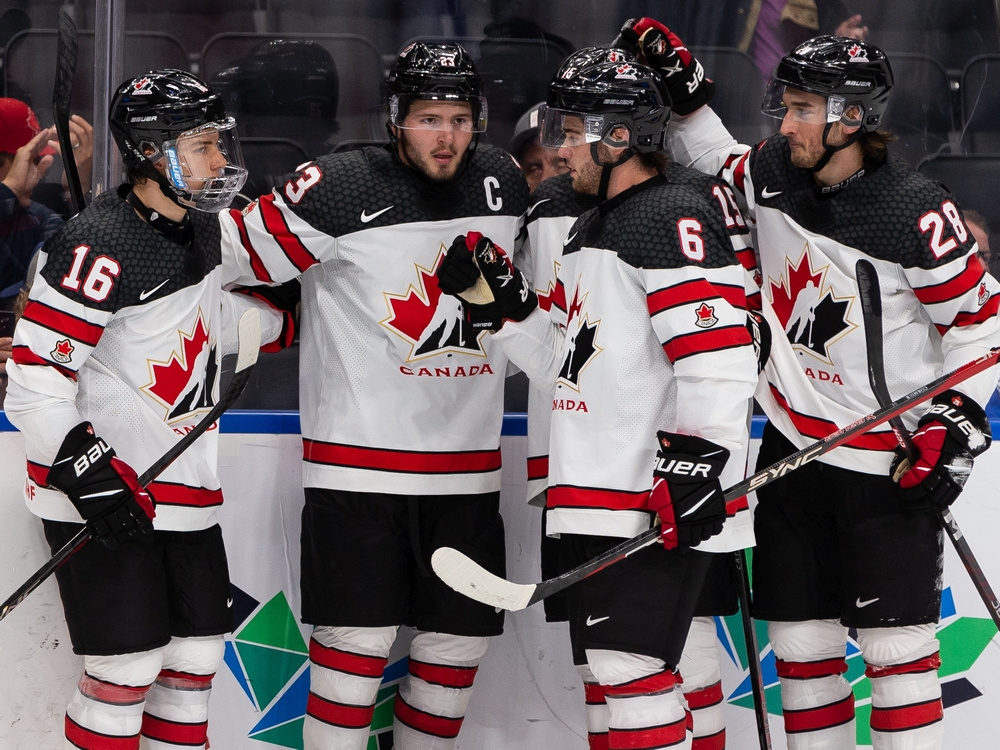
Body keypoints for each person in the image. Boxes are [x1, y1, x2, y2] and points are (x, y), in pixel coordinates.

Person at [620, 18, 1000, 748]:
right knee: (801, 652)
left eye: (800, 109)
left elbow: (982, 323)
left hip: (887, 466)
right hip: (792, 455)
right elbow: (713, 158)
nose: (783, 121)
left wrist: (952, 419)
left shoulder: (913, 210)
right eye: (784, 104)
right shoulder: (771, 172)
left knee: (897, 659)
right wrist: (686, 93)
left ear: (851, 118)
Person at [436, 46, 758, 750]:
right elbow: (566, 367)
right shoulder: (588, 227)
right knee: (616, 680)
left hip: (648, 490)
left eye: (570, 129)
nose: (558, 147)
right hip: (594, 488)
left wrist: (699, 464)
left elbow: (721, 358)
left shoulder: (670, 214)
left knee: (631, 672)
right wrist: (505, 309)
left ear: (619, 136)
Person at [218, 42, 529, 749]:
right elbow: (225, 255)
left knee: (455, 653)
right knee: (352, 662)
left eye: (458, 118)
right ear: (395, 118)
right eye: (427, 118)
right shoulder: (336, 186)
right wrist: (274, 319)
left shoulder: (504, 183)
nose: (445, 136)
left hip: (469, 476)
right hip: (356, 476)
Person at [3, 69, 289, 750]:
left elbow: (187, 324)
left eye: (219, 143)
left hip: (183, 488)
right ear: (150, 153)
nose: (220, 161)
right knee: (124, 672)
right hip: (104, 493)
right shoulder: (94, 245)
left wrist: (281, 324)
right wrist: (88, 470)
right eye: (200, 147)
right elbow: (36, 374)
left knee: (195, 664)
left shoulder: (203, 231)